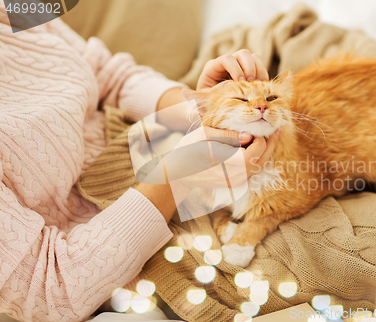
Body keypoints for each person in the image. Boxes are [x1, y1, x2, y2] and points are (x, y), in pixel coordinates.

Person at [0, 3, 279, 322]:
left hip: (144, 144)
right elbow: (51, 291)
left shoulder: (12, 11)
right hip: (120, 256)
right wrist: (177, 176)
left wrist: (202, 106)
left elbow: (109, 75)